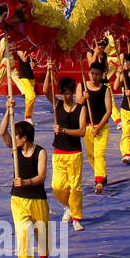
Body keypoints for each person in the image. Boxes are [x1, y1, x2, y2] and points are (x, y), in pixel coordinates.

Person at [0, 96, 51, 258]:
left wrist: (26, 181)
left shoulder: (41, 152)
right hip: (18, 199)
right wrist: (7, 110)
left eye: (17, 135)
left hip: (36, 198)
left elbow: (42, 176)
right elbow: (2, 132)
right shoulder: (15, 149)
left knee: (41, 233)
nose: (14, 138)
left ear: (24, 138)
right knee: (23, 234)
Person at [48, 76, 89, 232]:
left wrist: (63, 130)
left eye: (68, 93)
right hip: (59, 153)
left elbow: (82, 131)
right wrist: (48, 73)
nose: (66, 96)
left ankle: (76, 217)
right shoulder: (57, 105)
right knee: (57, 187)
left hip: (74, 153)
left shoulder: (80, 109)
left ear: (73, 93)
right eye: (63, 93)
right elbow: (45, 91)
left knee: (76, 187)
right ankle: (69, 206)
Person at [80, 60, 113, 195]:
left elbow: (109, 110)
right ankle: (101, 175)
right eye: (92, 74)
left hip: (101, 126)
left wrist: (99, 127)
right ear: (88, 74)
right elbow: (77, 104)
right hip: (87, 126)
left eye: (97, 74)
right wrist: (83, 97)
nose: (94, 77)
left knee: (99, 153)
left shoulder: (105, 89)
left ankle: (99, 180)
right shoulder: (83, 86)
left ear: (102, 75)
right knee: (91, 154)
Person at [11, 49, 37, 121]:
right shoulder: (20, 50)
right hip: (24, 77)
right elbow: (24, 59)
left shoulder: (31, 49)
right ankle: (28, 117)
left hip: (31, 77)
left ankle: (28, 117)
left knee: (29, 99)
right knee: (32, 96)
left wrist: (35, 64)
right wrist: (28, 52)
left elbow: (35, 62)